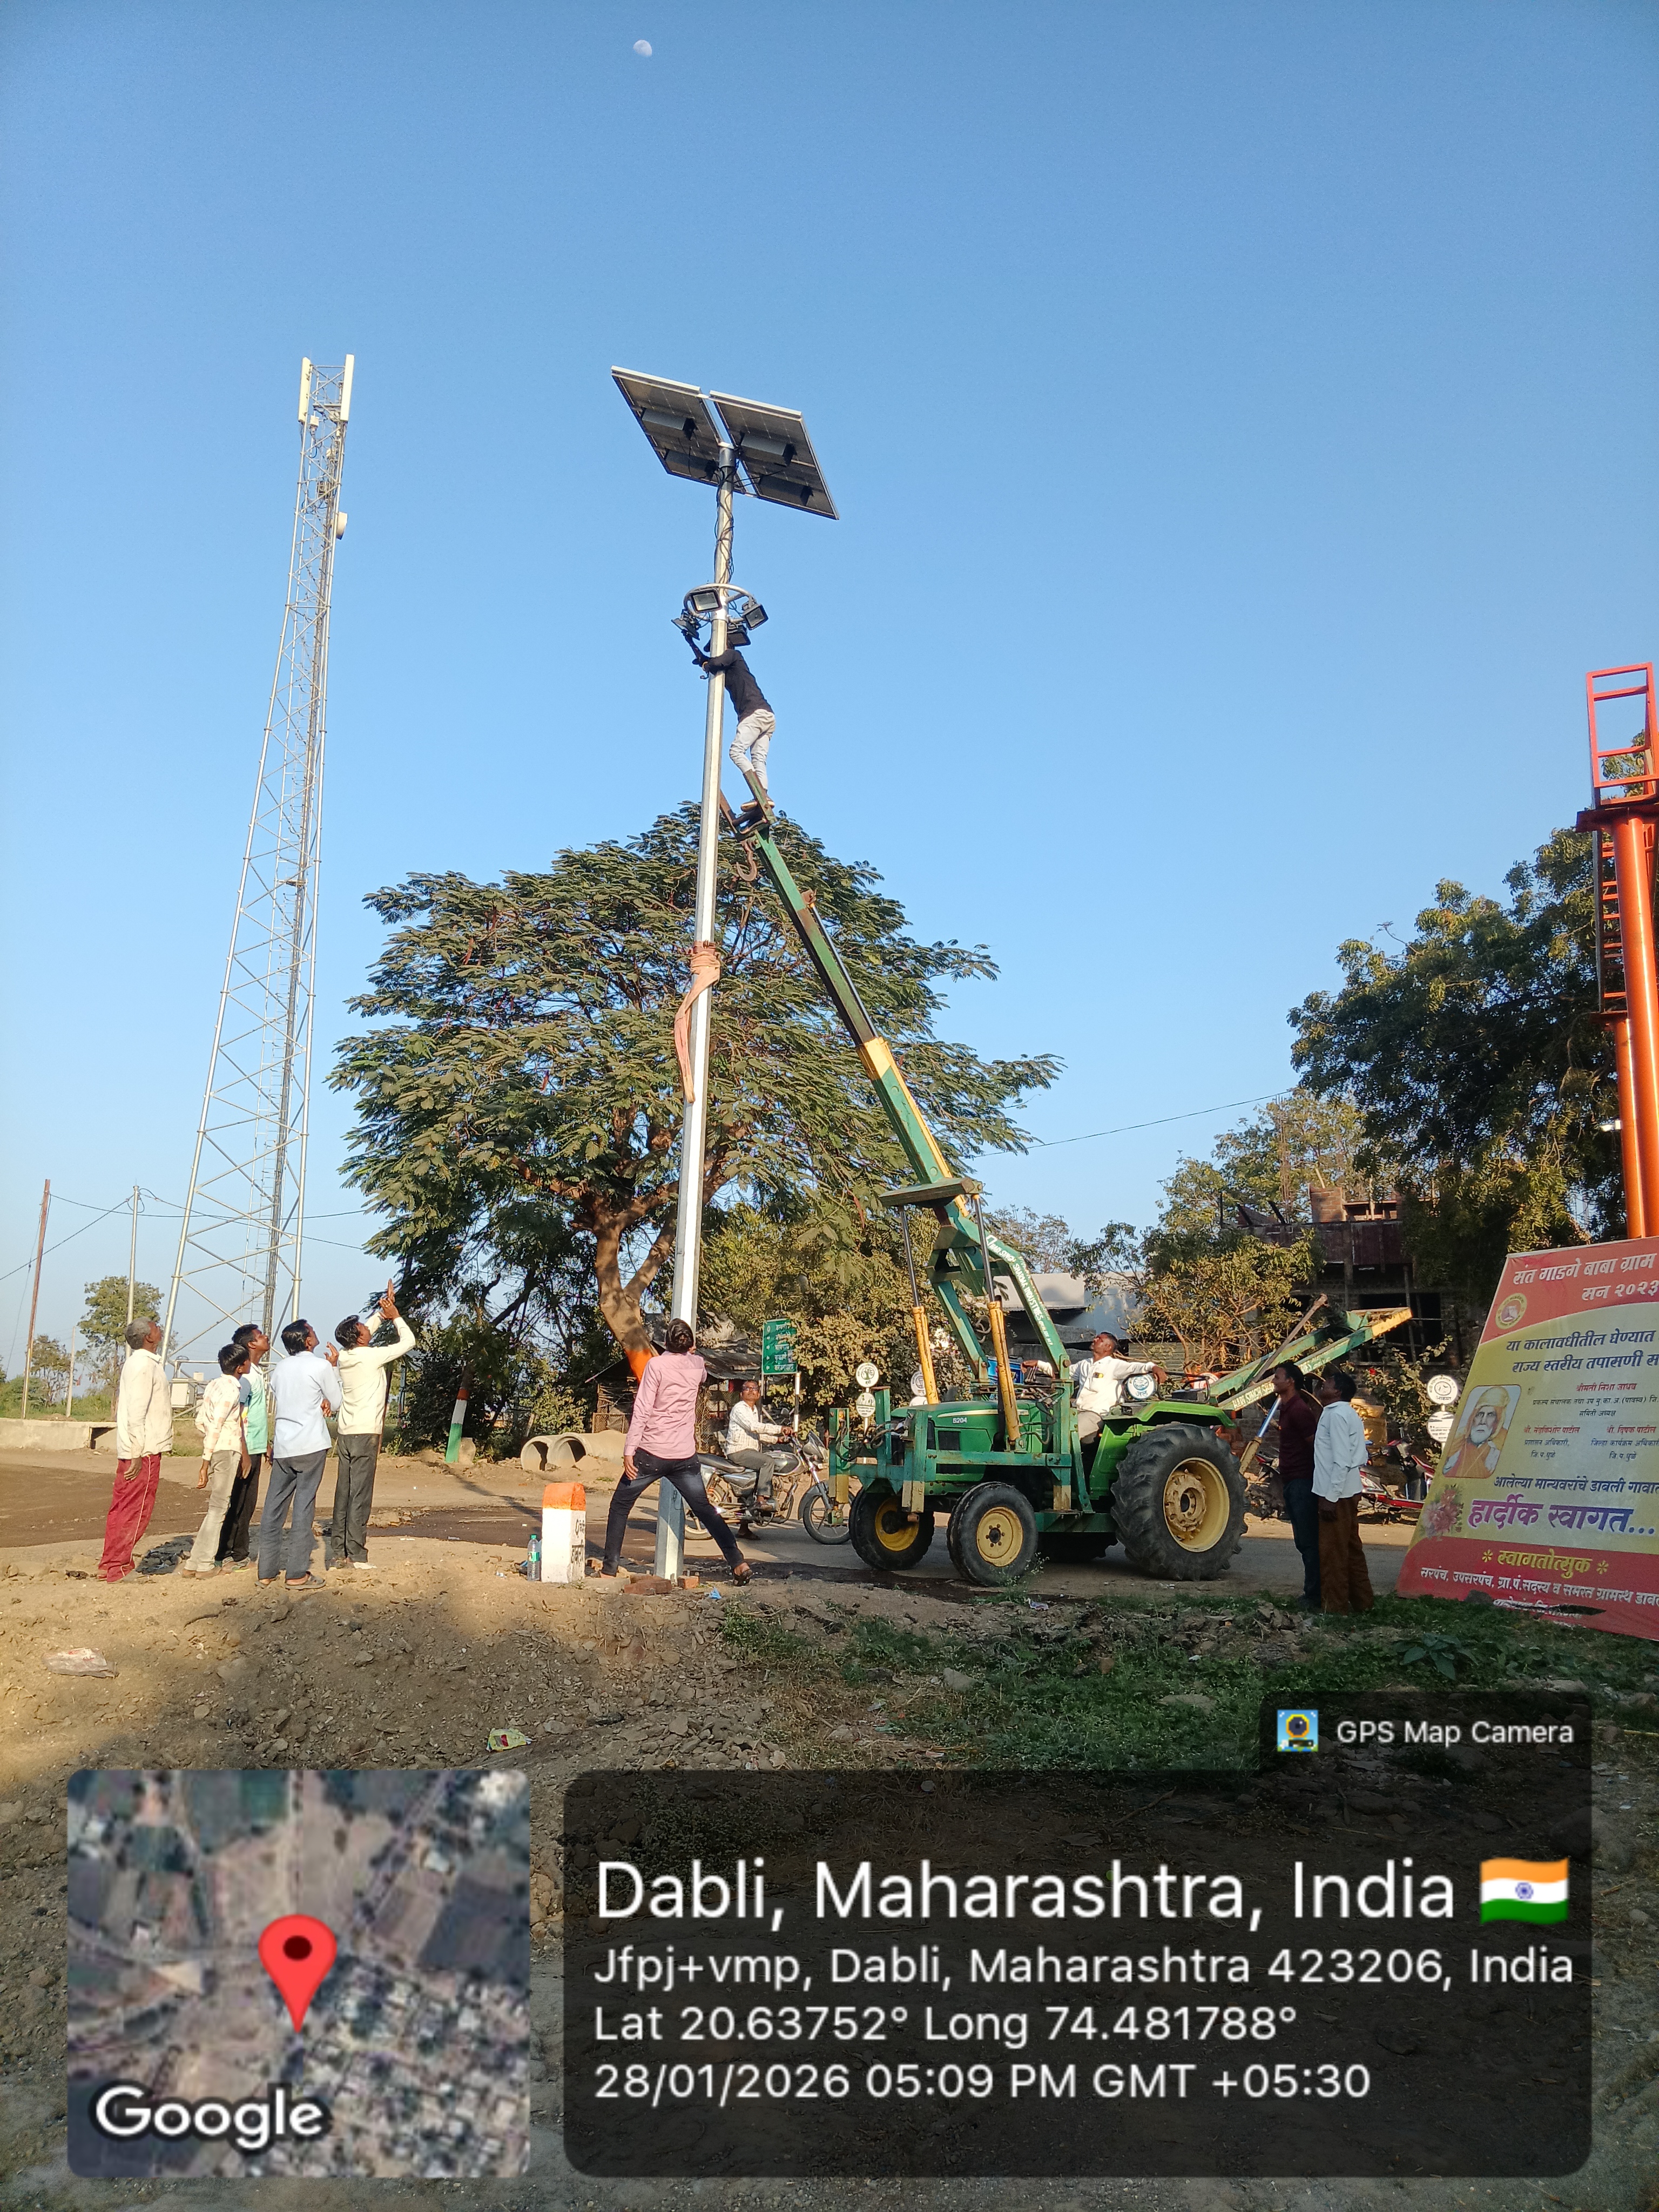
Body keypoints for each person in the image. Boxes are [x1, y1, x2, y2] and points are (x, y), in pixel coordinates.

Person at [599, 1320, 750, 1581]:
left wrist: (629, 1450)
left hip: (651, 1453)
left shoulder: (656, 1366)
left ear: (666, 1342)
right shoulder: (698, 1364)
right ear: (690, 1344)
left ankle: (609, 1569)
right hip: (684, 1456)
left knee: (620, 1505)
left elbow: (643, 1409)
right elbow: (702, 1375)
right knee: (704, 1509)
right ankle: (738, 1562)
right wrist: (692, 1355)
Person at [329, 1283, 416, 1571]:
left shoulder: (345, 1357)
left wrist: (383, 1311)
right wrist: (396, 1316)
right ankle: (356, 1554)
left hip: (346, 1432)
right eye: (363, 1329)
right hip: (366, 1433)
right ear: (360, 1338)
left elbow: (366, 1328)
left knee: (344, 1491)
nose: (368, 1329)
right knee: (360, 1494)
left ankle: (339, 1552)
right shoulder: (370, 1355)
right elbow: (408, 1343)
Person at [260, 1319, 341, 1592]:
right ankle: (296, 1573)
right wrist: (334, 1368)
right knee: (303, 1507)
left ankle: (266, 1571)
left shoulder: (280, 1368)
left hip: (283, 1445)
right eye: (313, 1332)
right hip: (310, 1444)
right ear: (308, 1341)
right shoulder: (320, 1366)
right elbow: (337, 1401)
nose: (317, 1334)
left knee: (273, 1508)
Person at [96, 1318, 174, 1582]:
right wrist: (139, 1453)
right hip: (144, 1450)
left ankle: (110, 1563)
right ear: (148, 1337)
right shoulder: (144, 1365)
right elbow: (137, 1414)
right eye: (155, 1326)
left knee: (122, 1507)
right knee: (136, 1509)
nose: (159, 1327)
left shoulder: (141, 1363)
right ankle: (119, 1567)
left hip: (136, 1448)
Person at [184, 1344, 251, 1576]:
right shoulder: (233, 1391)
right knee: (219, 1509)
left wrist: (208, 1456)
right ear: (241, 1367)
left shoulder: (213, 1385)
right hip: (226, 1451)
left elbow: (201, 1421)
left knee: (216, 1508)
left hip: (217, 1450)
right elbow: (216, 1426)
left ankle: (195, 1562)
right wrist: (205, 1462)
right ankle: (204, 1565)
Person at [1313, 1368, 1374, 1615]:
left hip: (1335, 1493)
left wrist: (1330, 1497)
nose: (1322, 1386)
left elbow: (1341, 1460)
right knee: (1351, 1548)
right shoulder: (1345, 1413)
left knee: (1332, 1552)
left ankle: (1335, 1608)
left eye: (1326, 1383)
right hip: (1347, 1490)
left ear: (1337, 1391)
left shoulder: (1336, 1415)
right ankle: (1363, 1602)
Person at [693, 635, 775, 819]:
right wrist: (706, 663)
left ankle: (759, 792)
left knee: (736, 752)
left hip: (754, 714)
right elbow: (715, 666)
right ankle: (764, 796)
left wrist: (707, 664)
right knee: (759, 759)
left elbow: (715, 665)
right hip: (766, 716)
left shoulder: (733, 655)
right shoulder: (732, 666)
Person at [215, 1322, 269, 1570]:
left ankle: (231, 1550)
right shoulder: (246, 1379)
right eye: (260, 1336)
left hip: (255, 1445)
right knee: (241, 1502)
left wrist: (265, 1443)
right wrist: (245, 1453)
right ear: (251, 1344)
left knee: (245, 1501)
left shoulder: (255, 1373)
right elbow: (240, 1416)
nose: (265, 1338)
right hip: (245, 1448)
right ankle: (233, 1553)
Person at [1270, 1361, 1323, 1610]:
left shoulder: (1299, 1410)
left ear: (1290, 1381)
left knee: (1308, 1540)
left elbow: (1315, 1446)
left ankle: (1314, 1595)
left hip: (1302, 1481)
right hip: (1293, 1481)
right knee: (1303, 1540)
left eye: (1277, 1377)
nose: (1273, 1381)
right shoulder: (1287, 1408)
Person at [1074, 1334, 1163, 1444]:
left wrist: (1153, 1367)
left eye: (1100, 1339)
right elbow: (1064, 1371)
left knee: (1069, 1433)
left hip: (1096, 1414)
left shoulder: (1114, 1365)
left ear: (1108, 1347)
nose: (1095, 1339)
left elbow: (1134, 1367)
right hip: (1076, 1411)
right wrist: (1046, 1367)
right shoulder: (1084, 1364)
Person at [725, 1379, 788, 1502]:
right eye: (747, 1388)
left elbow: (756, 1434)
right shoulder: (739, 1409)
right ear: (741, 1394)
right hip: (739, 1451)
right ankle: (762, 1499)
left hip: (749, 1451)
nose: (751, 1391)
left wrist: (777, 1440)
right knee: (768, 1462)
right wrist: (780, 1428)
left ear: (758, 1395)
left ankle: (748, 1509)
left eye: (754, 1389)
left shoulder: (754, 1411)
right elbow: (753, 1427)